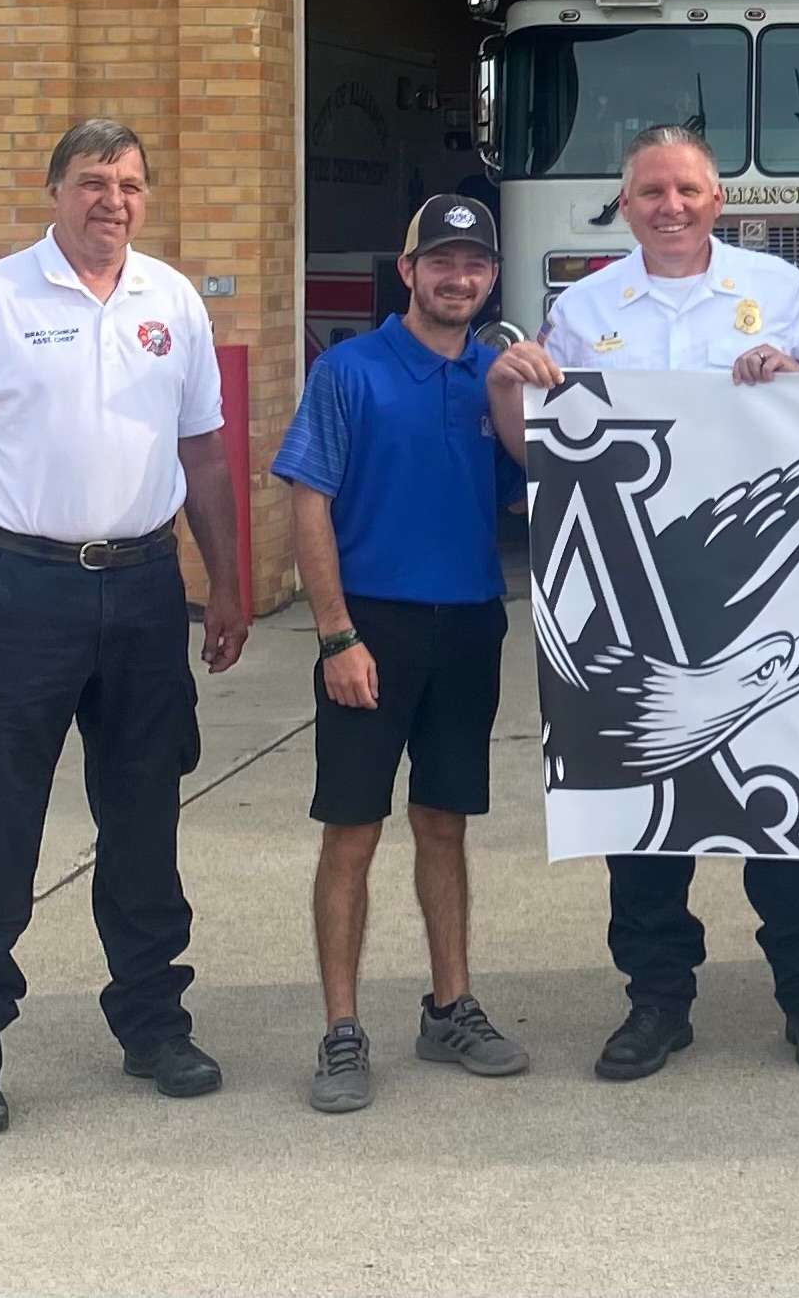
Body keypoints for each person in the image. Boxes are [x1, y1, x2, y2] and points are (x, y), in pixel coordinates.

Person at [0, 118, 252, 1139]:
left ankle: (153, 1025)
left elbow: (209, 461)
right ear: (53, 191)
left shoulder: (170, 301)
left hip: (144, 593)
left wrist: (226, 585)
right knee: (3, 821)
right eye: (94, 182)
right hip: (25, 591)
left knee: (145, 817)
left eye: (132, 184)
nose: (115, 200)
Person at [487, 124, 799, 1079]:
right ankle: (658, 1001)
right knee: (642, 802)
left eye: (688, 189)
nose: (671, 205)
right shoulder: (583, 305)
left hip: (753, 588)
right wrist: (511, 386)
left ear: (717, 200)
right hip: (627, 591)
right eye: (651, 191)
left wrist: (798, 375)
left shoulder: (775, 293)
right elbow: (543, 451)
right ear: (626, 205)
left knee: (786, 791)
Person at [273, 194, 530, 1115]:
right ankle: (342, 1030)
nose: (458, 278)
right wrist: (336, 633)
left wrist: (544, 395)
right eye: (442, 262)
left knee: (445, 823)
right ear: (409, 269)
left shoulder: (498, 376)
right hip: (371, 626)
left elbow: (526, 487)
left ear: (491, 278)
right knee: (352, 831)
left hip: (468, 620)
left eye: (475, 265)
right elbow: (308, 502)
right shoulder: (348, 371)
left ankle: (450, 1005)